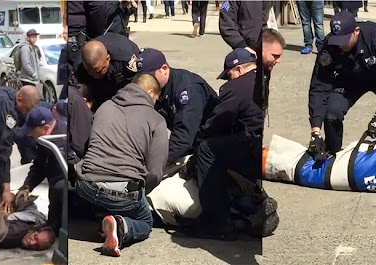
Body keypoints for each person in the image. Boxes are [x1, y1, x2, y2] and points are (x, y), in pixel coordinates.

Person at [75, 74, 168, 257]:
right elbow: (155, 173)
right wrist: (140, 193)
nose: (155, 103)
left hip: (85, 184)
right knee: (144, 220)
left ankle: (104, 217)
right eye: (156, 98)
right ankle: (120, 226)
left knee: (108, 196)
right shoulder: (156, 119)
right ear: (150, 92)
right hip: (122, 192)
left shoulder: (105, 106)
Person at [308, 11, 376, 157]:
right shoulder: (330, 45)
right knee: (332, 112)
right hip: (349, 80)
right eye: (337, 41)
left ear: (356, 31)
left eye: (345, 40)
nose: (341, 45)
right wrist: (315, 130)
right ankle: (332, 154)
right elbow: (319, 86)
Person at [186, 48, 264, 240]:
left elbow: (215, 123)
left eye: (229, 75)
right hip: (266, 143)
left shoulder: (236, 87)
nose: (229, 80)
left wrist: (196, 144)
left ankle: (217, 221)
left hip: (252, 146)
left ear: (238, 70)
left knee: (207, 149)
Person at [136, 48, 218, 167]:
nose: (146, 82)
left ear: (164, 69)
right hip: (188, 140)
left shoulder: (188, 89)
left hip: (207, 142)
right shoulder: (156, 87)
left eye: (150, 77)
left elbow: (183, 136)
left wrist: (154, 164)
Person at [18, 106, 67, 234]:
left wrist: (52, 226)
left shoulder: (60, 141)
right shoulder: (44, 139)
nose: (30, 134)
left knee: (60, 188)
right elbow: (39, 165)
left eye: (32, 131)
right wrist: (26, 186)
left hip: (67, 184)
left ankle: (59, 228)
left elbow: (57, 182)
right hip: (57, 184)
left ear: (46, 128)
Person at [75, 32, 141, 112]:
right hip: (97, 90)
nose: (95, 76)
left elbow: (134, 85)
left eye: (98, 71)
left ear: (108, 58)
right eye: (90, 72)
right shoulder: (79, 65)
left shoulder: (126, 58)